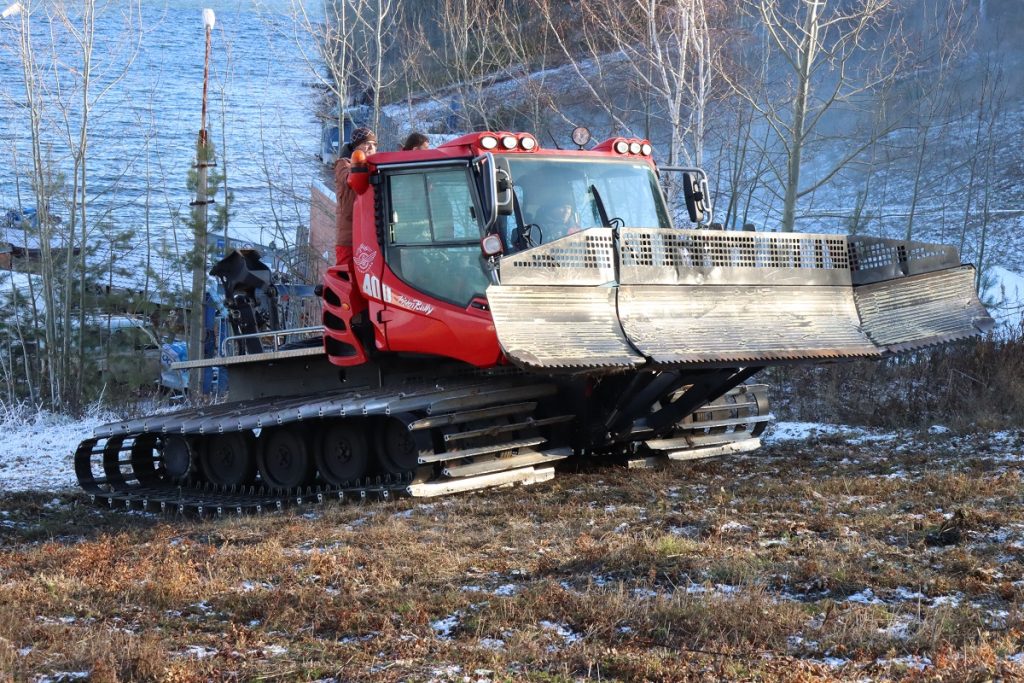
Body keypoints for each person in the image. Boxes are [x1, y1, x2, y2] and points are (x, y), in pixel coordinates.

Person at [334, 127, 377, 263]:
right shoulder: (343, 164)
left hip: (371, 235)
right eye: (366, 143)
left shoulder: (376, 167)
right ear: (356, 147)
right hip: (349, 238)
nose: (371, 147)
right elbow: (348, 177)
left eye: (374, 144)